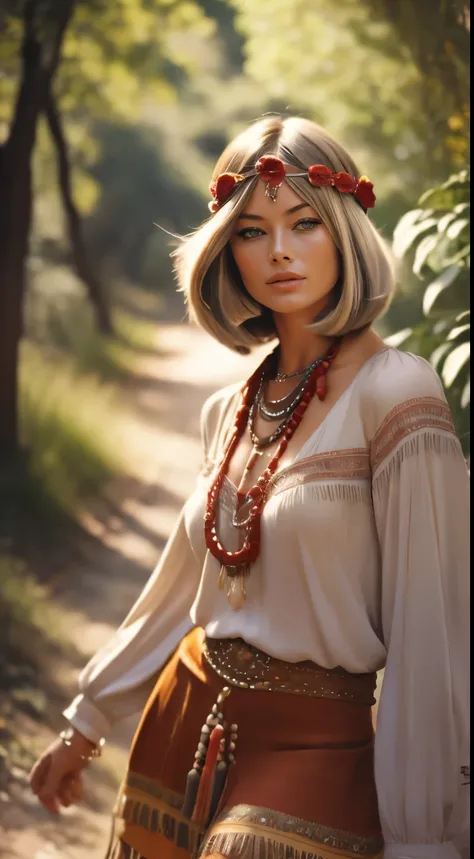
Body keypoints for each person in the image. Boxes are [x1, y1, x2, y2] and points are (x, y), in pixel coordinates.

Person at [29, 115, 470, 859]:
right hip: (182, 724)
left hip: (316, 751)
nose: (280, 252)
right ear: (227, 248)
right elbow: (176, 590)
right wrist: (87, 720)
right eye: (252, 231)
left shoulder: (398, 394)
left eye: (304, 223)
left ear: (346, 231)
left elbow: (435, 630)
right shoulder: (229, 407)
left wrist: (429, 836)